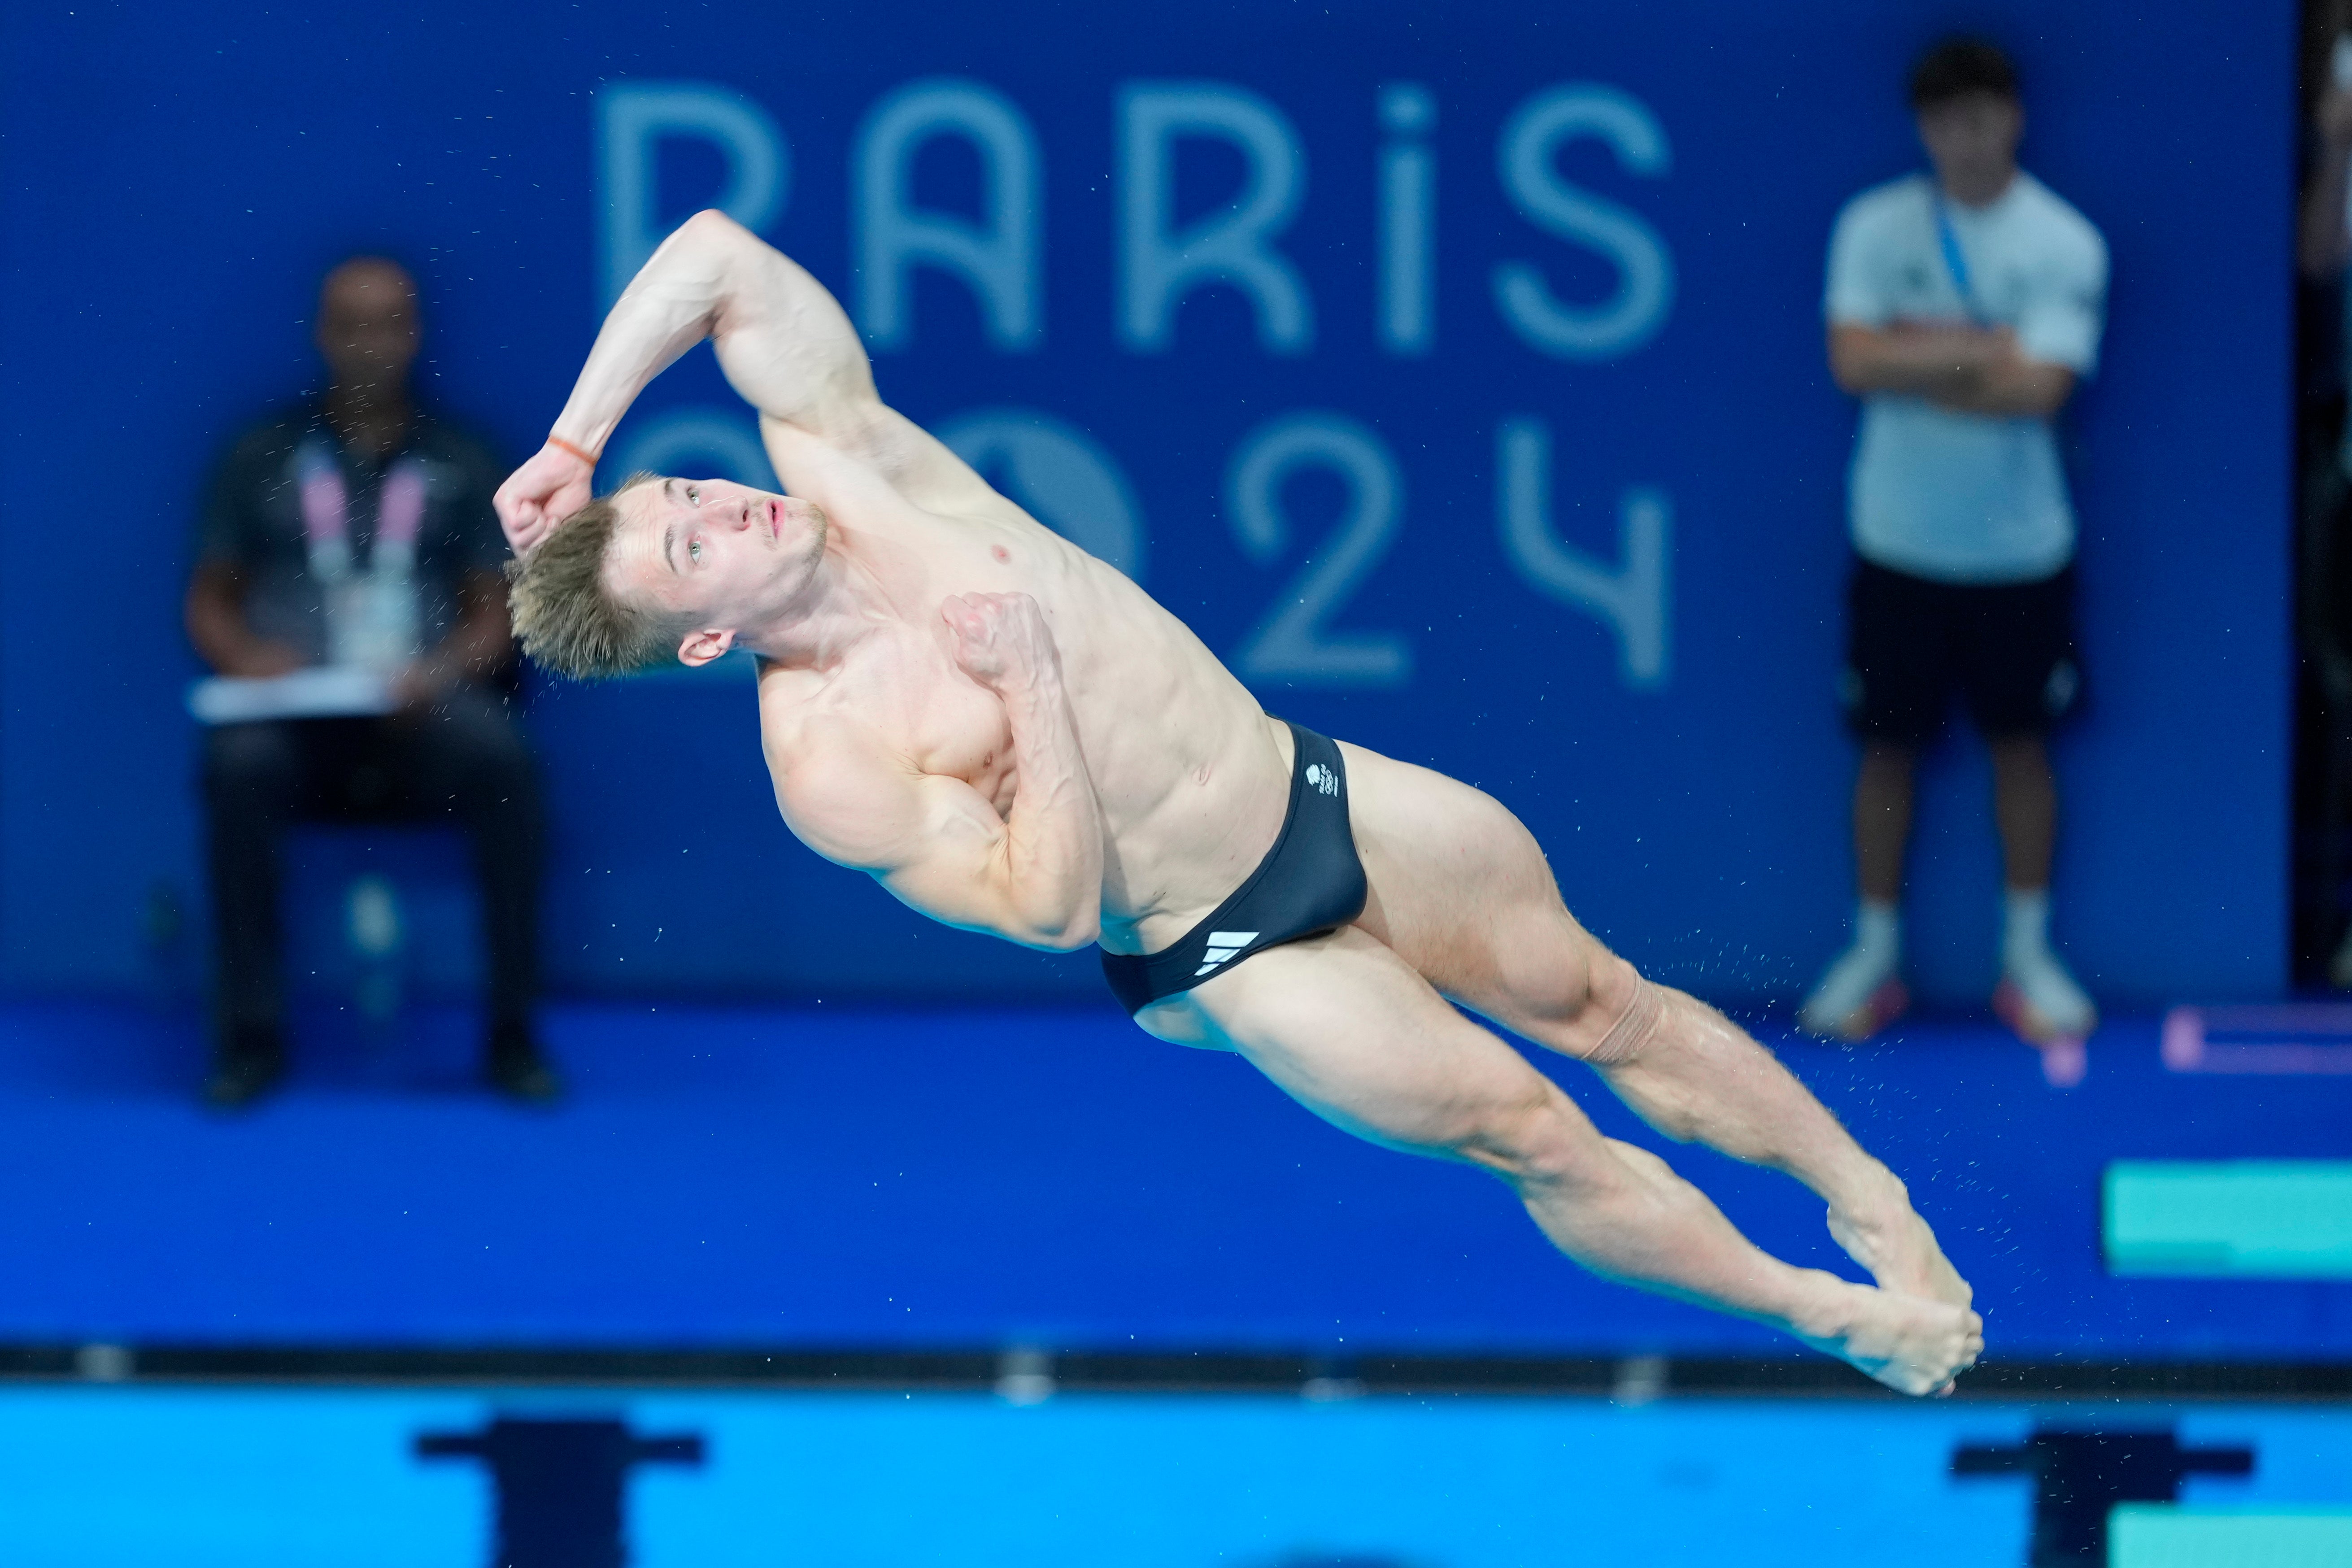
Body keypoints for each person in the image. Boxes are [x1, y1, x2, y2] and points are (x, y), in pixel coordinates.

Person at [494, 209, 1983, 1395]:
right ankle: (1821, 1309)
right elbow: (1047, 908)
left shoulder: (857, 465)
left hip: (1309, 781)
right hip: (1225, 947)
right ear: (705, 637)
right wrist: (1030, 691)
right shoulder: (829, 758)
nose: (719, 504)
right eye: (690, 546)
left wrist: (574, 441)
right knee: (1533, 1130)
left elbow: (712, 254)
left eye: (685, 488)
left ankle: (1862, 1188)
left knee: (1608, 1003)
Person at [187, 257, 558, 1107]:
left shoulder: (465, 458)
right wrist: (246, 658)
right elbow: (208, 600)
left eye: (388, 322)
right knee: (237, 767)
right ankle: (249, 1040)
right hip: (296, 718)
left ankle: (513, 1037)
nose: (368, 344)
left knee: (506, 762)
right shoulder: (260, 454)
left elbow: (495, 614)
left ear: (415, 334)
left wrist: (442, 670)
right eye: (349, 324)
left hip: (422, 712)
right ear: (321, 334)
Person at [1799, 39, 2108, 1047]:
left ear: (2013, 117)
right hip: (1897, 543)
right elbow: (1851, 362)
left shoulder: (2065, 242)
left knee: (2022, 748)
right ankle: (1873, 952)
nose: (1965, 139)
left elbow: (2046, 389)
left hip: (2023, 551)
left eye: (1982, 117)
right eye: (1946, 121)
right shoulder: (1872, 226)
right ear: (1925, 128)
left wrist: (1913, 357)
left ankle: (2028, 958)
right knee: (1885, 750)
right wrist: (1982, 349)